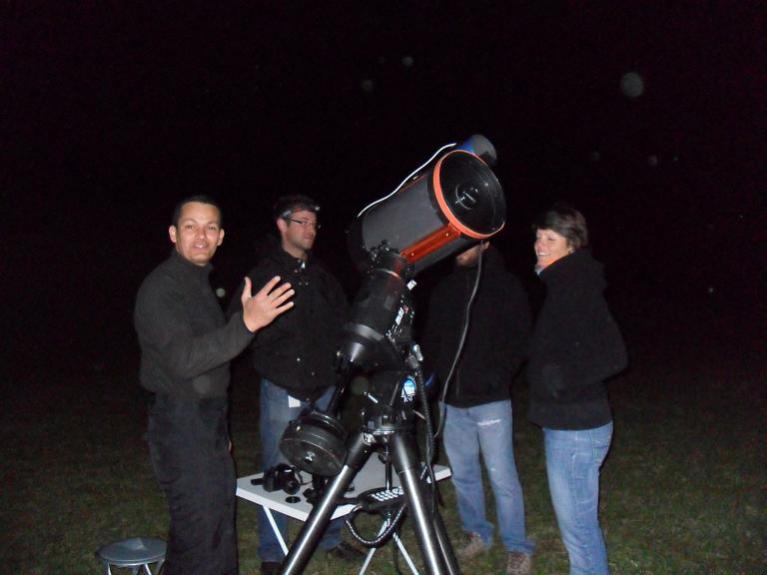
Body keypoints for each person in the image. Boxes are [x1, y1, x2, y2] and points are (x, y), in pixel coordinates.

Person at [134, 195, 295, 575]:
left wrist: (219, 430)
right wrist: (246, 324)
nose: (201, 236)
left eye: (210, 228)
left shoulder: (198, 284)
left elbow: (215, 360)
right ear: (173, 234)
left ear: (221, 236)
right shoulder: (162, 288)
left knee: (215, 527)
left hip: (205, 424)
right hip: (180, 424)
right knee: (201, 539)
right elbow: (184, 361)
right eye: (190, 226)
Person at [229, 194, 358, 574]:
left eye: (314, 223)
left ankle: (330, 537)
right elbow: (236, 328)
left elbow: (343, 323)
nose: (310, 229)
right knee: (276, 470)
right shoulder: (263, 275)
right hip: (283, 387)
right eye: (301, 222)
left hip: (325, 390)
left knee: (328, 464)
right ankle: (273, 552)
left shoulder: (323, 277)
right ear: (282, 225)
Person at [422, 241, 535, 575]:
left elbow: (520, 337)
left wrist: (497, 376)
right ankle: (477, 533)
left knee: (502, 476)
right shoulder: (445, 288)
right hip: (450, 402)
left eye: (468, 243)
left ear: (485, 242)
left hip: (490, 400)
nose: (460, 249)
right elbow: (432, 340)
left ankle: (517, 546)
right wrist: (433, 381)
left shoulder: (505, 285)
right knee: (463, 475)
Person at [527, 203, 628, 575]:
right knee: (579, 529)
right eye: (538, 237)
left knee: (580, 533)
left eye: (550, 239)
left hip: (576, 430)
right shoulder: (563, 284)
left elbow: (615, 355)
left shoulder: (575, 287)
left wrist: (563, 378)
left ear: (572, 245)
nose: (540, 245)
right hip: (571, 425)